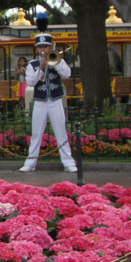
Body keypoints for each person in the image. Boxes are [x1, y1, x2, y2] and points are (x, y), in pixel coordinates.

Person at [18, 24, 77, 173]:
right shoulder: (32, 64)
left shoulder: (58, 60)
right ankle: (30, 163)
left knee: (60, 131)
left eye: (46, 47)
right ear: (37, 49)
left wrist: (55, 64)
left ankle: (68, 162)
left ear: (51, 46)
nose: (43, 50)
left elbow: (67, 74)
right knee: (36, 132)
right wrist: (42, 68)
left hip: (56, 100)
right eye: (40, 47)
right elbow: (30, 82)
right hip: (40, 102)